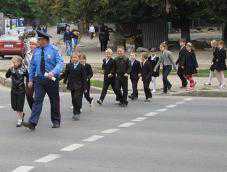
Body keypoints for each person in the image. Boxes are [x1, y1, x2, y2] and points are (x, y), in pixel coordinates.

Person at [22, 31, 64, 130]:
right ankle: (32, 122)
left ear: (44, 40)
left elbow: (60, 63)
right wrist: (31, 80)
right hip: (39, 79)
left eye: (39, 40)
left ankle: (56, 121)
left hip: (51, 79)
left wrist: (53, 72)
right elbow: (32, 66)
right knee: (37, 100)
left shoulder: (53, 49)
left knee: (54, 100)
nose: (37, 41)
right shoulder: (36, 51)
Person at [6, 57, 28, 127]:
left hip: (21, 90)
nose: (13, 64)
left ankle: (19, 120)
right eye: (12, 62)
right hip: (13, 89)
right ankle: (22, 114)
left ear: (19, 62)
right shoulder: (11, 69)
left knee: (19, 105)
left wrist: (30, 83)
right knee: (14, 106)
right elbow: (7, 76)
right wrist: (9, 69)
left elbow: (28, 77)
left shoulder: (24, 69)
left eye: (14, 62)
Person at [63, 53, 86, 121]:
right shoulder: (69, 65)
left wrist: (85, 87)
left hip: (79, 85)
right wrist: (63, 81)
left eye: (75, 57)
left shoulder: (81, 66)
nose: (74, 59)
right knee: (73, 99)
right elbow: (66, 74)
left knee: (77, 98)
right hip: (71, 85)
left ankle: (77, 112)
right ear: (71, 59)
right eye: (73, 58)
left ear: (78, 58)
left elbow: (84, 77)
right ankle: (74, 112)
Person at [24, 37, 38, 110]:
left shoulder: (39, 53)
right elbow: (25, 64)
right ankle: (34, 109)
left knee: (38, 96)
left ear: (37, 45)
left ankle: (36, 111)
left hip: (38, 76)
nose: (31, 45)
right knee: (28, 94)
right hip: (29, 76)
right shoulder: (27, 53)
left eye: (33, 44)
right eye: (30, 44)